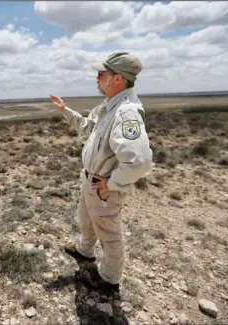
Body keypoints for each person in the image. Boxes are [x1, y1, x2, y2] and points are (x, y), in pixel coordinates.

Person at [50, 52, 153, 291]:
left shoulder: (125, 113)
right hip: (91, 182)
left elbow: (139, 162)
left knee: (109, 233)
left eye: (101, 73)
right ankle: (85, 251)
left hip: (103, 187)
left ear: (117, 78)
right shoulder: (108, 107)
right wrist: (65, 110)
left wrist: (113, 183)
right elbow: (87, 127)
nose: (97, 78)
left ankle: (109, 279)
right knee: (86, 220)